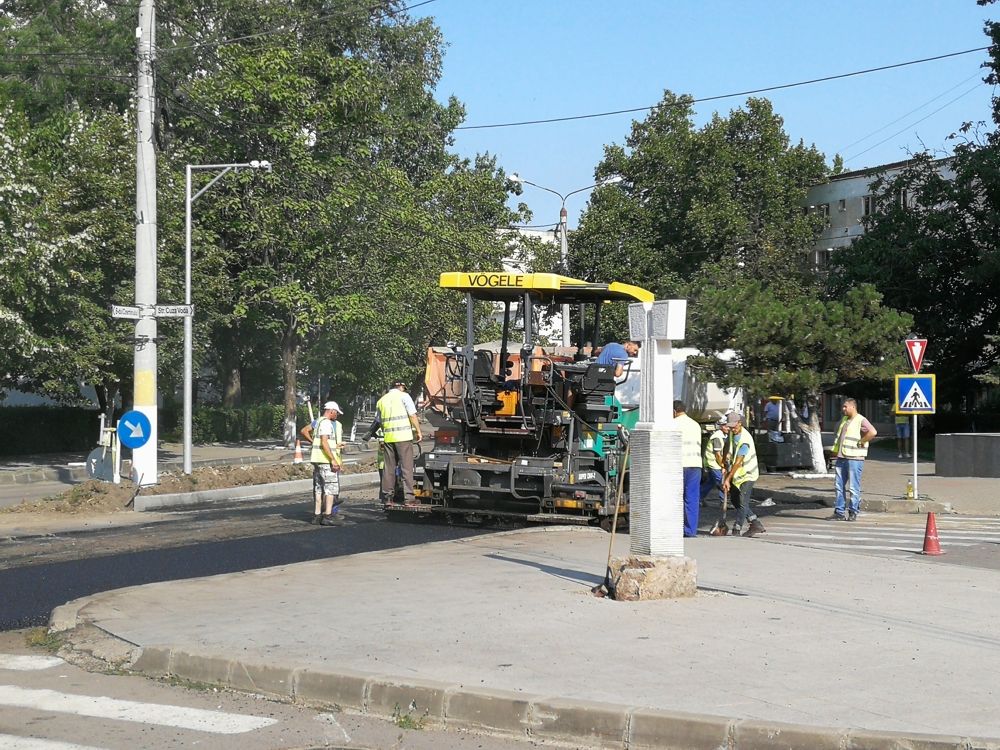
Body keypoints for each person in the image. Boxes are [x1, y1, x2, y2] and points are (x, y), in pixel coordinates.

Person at [376, 380, 422, 505]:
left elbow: (379, 421)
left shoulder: (381, 401)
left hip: (389, 438)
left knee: (388, 469)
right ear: (401, 386)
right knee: (406, 468)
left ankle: (388, 498)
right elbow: (412, 415)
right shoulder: (404, 397)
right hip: (403, 438)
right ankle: (409, 498)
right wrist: (418, 431)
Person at [830, 398, 877, 521]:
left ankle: (853, 511)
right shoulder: (845, 420)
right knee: (839, 486)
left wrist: (862, 441)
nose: (843, 409)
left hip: (855, 459)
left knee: (853, 487)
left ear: (853, 407)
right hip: (841, 457)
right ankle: (839, 512)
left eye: (845, 406)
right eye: (843, 406)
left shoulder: (860, 419)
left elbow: (873, 432)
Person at [722, 412, 765, 537]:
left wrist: (727, 478)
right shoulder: (732, 433)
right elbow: (727, 447)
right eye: (729, 427)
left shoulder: (745, 439)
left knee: (742, 502)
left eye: (734, 427)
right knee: (735, 500)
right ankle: (755, 522)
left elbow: (738, 462)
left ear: (740, 423)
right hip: (737, 476)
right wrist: (724, 464)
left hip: (748, 473)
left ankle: (737, 529)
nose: (731, 429)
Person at [309, 401, 345, 526]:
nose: (337, 416)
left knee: (318, 489)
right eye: (336, 413)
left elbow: (321, 442)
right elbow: (324, 442)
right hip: (325, 461)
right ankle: (327, 516)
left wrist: (335, 446)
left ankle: (317, 515)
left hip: (317, 460)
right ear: (332, 411)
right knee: (330, 489)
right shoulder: (326, 423)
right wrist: (333, 459)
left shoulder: (318, 421)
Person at [672, 400, 703, 537]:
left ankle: (674, 529)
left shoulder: (672, 424)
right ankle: (691, 530)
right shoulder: (695, 425)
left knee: (675, 498)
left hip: (679, 465)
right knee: (692, 498)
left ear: (673, 412)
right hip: (695, 464)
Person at [700, 416, 729, 507]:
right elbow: (717, 454)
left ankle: (699, 498)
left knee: (710, 483)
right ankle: (723, 502)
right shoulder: (717, 436)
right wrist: (723, 465)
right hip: (713, 463)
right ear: (721, 426)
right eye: (725, 426)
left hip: (714, 463)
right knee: (722, 481)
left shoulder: (723, 435)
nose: (728, 428)